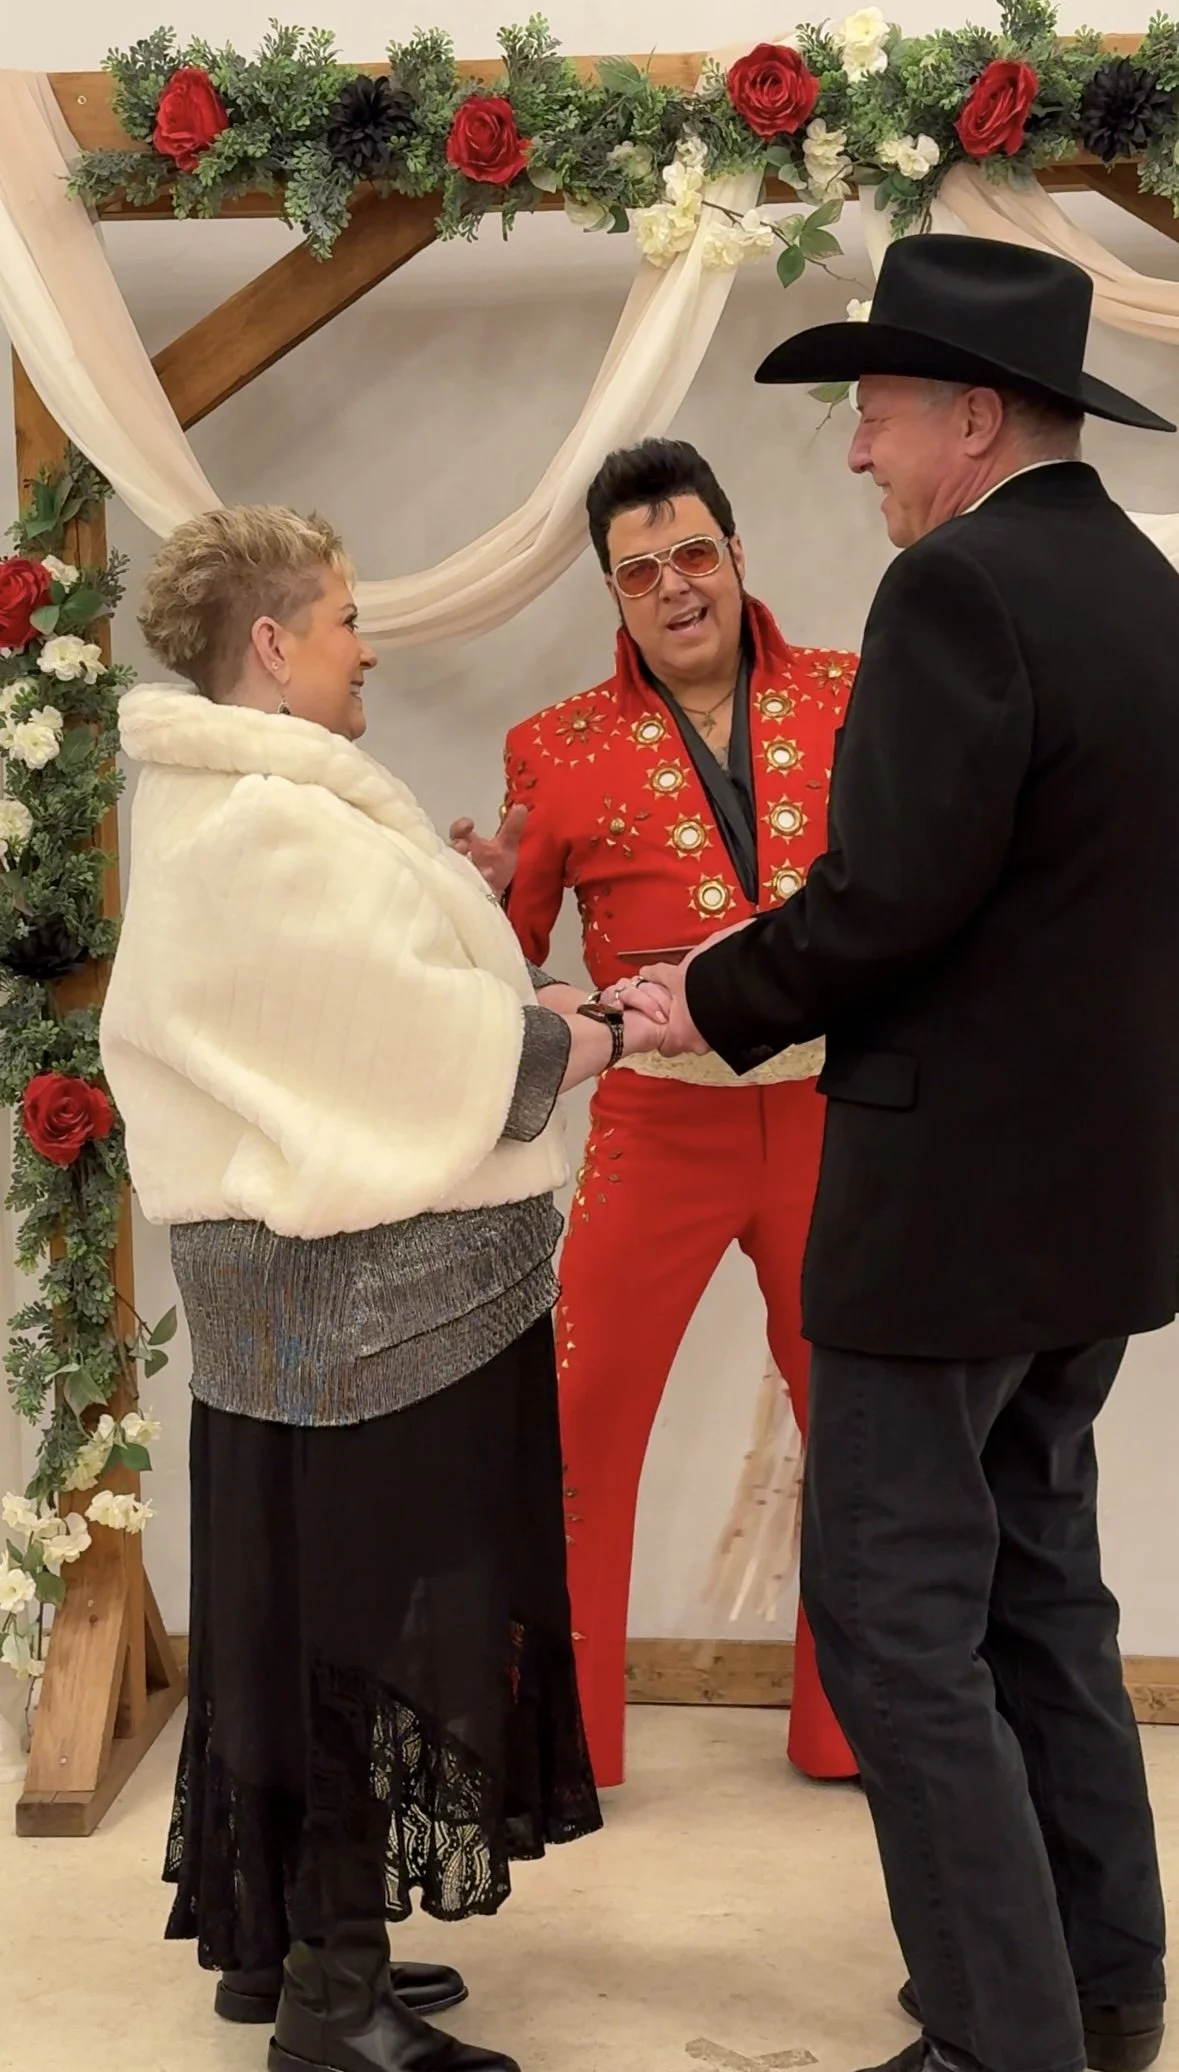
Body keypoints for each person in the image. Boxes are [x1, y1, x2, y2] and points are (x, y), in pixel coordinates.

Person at [645, 235, 1178, 2072]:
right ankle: (1100, 1992)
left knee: (890, 1625)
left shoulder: (956, 587)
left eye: (873, 412)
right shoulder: (1144, 585)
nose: (858, 450)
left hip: (947, 1221)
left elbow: (889, 905)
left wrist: (700, 994)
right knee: (1038, 1596)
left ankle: (995, 2039)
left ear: (972, 415)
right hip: (1092, 1217)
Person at [99, 506, 672, 2072]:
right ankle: (332, 2001)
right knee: (356, 1634)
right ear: (271, 643)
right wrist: (589, 1034)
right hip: (360, 1309)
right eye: (346, 619)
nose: (368, 648)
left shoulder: (246, 804)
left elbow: (350, 1010)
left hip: (315, 1304)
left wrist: (482, 951)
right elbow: (406, 1047)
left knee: (303, 1618)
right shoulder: (262, 821)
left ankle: (293, 1942)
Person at [451, 438, 858, 1789]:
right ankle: (564, 1742)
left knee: (864, 1426)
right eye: (641, 571)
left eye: (693, 554)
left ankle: (854, 1732)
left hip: (837, 1117)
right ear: (612, 593)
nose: (675, 587)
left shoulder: (861, 697)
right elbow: (510, 962)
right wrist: (479, 895)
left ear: (736, 554)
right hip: (655, 1124)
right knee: (579, 1419)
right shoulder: (553, 749)